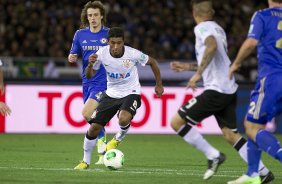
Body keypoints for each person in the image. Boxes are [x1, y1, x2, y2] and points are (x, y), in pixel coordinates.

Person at [170, 0, 274, 182]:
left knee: (176, 122)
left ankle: (213, 155)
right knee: (230, 134)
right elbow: (216, 62)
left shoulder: (201, 28)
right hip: (228, 88)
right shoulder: (219, 29)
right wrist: (187, 67)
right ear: (211, 12)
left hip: (216, 90)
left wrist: (197, 76)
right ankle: (263, 173)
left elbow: (211, 47)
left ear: (195, 14)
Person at [85, 27, 163, 159]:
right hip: (111, 93)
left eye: (119, 43)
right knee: (94, 128)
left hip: (131, 92)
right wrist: (90, 65)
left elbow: (152, 62)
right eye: (113, 43)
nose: (116, 46)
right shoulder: (101, 54)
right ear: (108, 42)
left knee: (124, 118)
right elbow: (89, 76)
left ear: (123, 42)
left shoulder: (133, 54)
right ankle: (85, 161)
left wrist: (159, 85)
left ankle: (118, 138)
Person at [228, 0, 282, 183]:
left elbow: (251, 42)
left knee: (251, 127)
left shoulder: (262, 15)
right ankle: (252, 174)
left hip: (272, 78)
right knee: (253, 123)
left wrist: (235, 63)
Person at [68, 1, 108, 169]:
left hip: (104, 82)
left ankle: (98, 144)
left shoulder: (109, 34)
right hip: (87, 81)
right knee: (90, 116)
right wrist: (72, 57)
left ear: (101, 17)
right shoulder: (80, 35)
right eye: (90, 15)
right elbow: (74, 54)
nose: (92, 18)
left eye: (95, 15)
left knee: (86, 113)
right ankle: (103, 143)